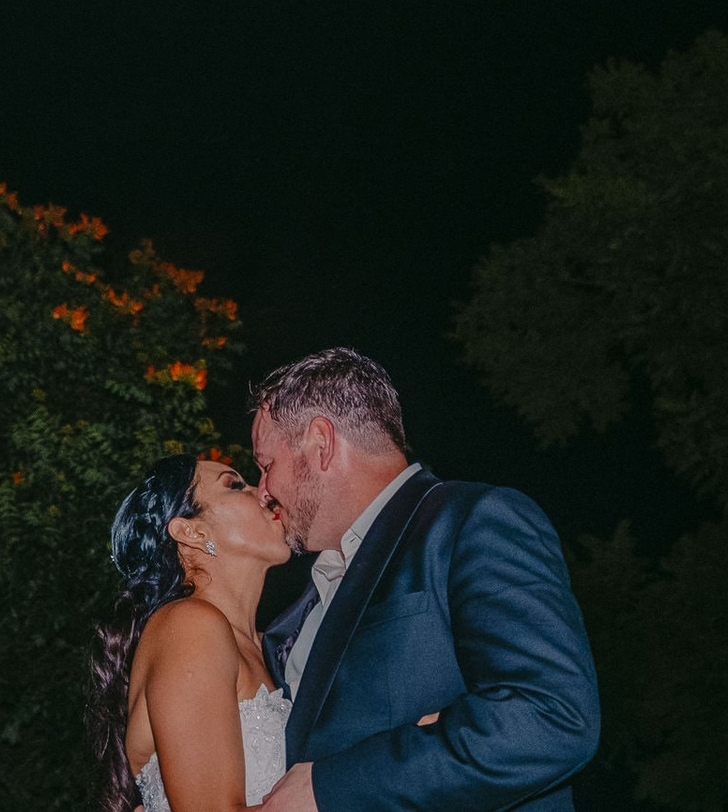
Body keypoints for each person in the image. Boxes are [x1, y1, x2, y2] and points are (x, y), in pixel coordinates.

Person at [251, 348, 600, 812]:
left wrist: (330, 789)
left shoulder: (472, 521)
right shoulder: (303, 602)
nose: (262, 491)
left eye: (266, 466)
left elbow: (551, 716)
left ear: (321, 443)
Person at [90, 452, 296, 812]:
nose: (263, 491)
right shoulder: (190, 626)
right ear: (192, 531)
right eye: (235, 485)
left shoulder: (274, 645)